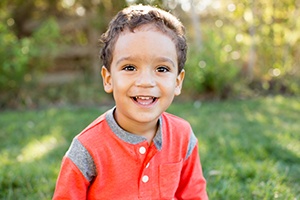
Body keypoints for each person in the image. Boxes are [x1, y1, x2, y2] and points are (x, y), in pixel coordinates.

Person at [53, 4, 208, 199]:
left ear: (177, 82)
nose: (145, 82)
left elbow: (194, 195)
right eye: (129, 67)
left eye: (161, 69)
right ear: (108, 78)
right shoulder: (86, 149)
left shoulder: (183, 137)